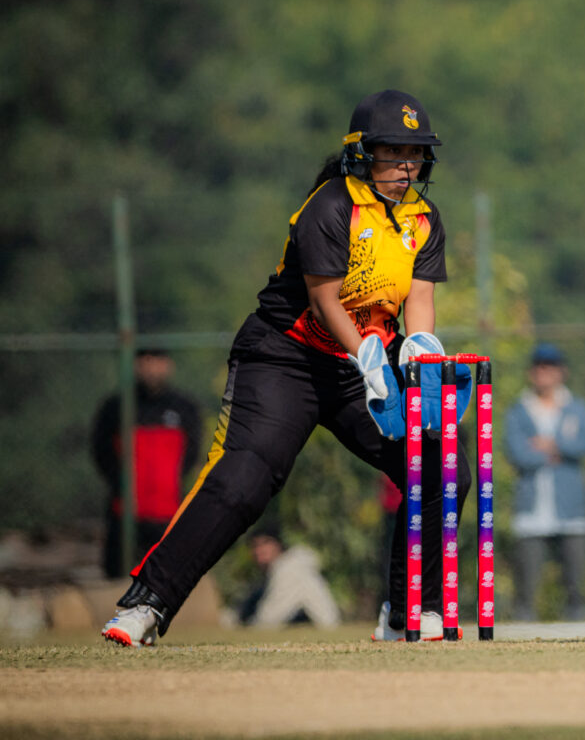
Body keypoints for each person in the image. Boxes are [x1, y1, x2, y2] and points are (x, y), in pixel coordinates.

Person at [100, 89, 471, 647]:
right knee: (246, 479)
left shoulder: (423, 219)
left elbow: (417, 299)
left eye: (415, 154)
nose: (406, 166)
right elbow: (325, 302)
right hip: (284, 358)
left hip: (357, 369)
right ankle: (145, 605)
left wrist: (419, 346)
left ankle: (408, 613)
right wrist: (368, 356)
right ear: (361, 154)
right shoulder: (330, 207)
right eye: (392, 152)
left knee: (441, 467)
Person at [504, 343, 585, 621]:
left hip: (572, 508)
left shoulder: (577, 408)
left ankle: (579, 632)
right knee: (527, 584)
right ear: (532, 372)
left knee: (576, 584)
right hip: (531, 508)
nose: (544, 373)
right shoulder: (519, 409)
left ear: (562, 372)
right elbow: (518, 452)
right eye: (539, 367)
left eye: (550, 367)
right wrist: (557, 451)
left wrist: (548, 444)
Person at [90, 348, 203, 579]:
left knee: (169, 575)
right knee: (118, 574)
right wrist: (120, 482)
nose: (152, 368)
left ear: (168, 365)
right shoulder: (116, 407)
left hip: (168, 509)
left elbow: (191, 453)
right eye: (146, 362)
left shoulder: (184, 407)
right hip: (126, 510)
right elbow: (102, 452)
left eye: (157, 361)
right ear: (136, 366)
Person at [232, 521, 340, 629]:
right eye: (255, 545)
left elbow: (269, 619)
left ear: (278, 544)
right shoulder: (277, 571)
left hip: (319, 634)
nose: (260, 550)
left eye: (266, 543)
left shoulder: (291, 570)